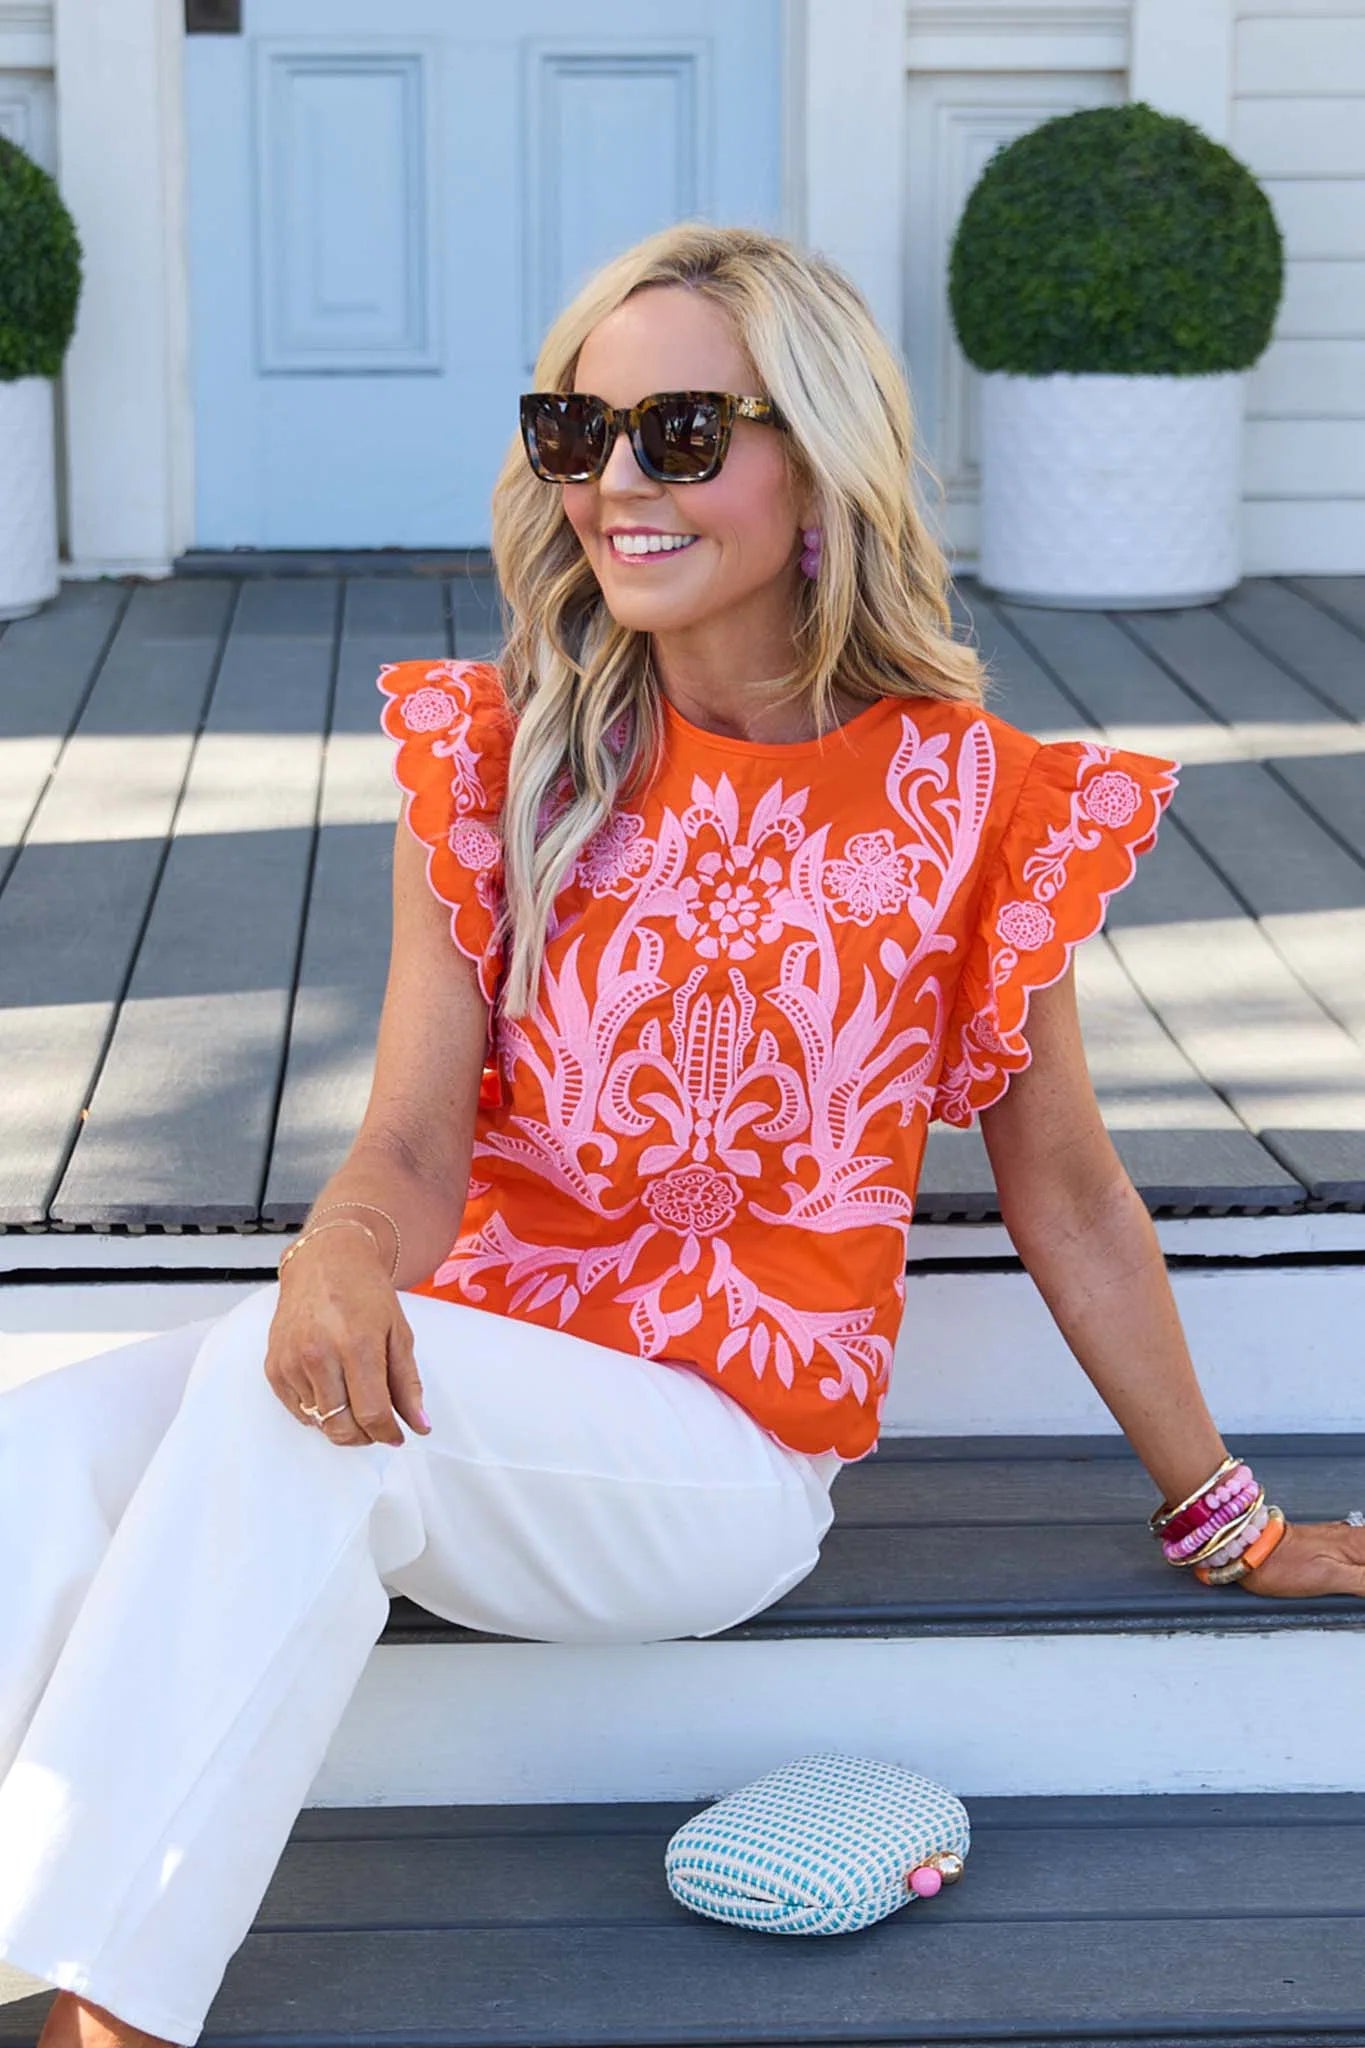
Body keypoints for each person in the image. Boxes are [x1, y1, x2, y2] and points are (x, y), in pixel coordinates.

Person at [3, 220, 1363, 2048]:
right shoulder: (500, 759)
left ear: (817, 467)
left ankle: (111, 2010)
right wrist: (333, 1248)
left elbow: (1067, 1188)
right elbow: (410, 1140)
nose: (615, 484)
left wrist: (1226, 1518)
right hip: (477, 1376)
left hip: (714, 1462)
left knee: (277, 1412)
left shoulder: (971, 798)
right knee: (51, 1450)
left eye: (683, 435)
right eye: (579, 433)